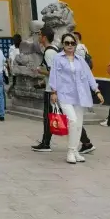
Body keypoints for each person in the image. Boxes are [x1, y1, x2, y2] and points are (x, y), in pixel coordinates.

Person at [32, 26, 95, 155]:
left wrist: (40, 71)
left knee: (55, 117)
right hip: (59, 90)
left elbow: (53, 72)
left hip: (54, 90)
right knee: (68, 118)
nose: (38, 37)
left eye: (39, 34)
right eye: (67, 43)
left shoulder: (50, 52)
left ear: (44, 37)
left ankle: (49, 143)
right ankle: (83, 142)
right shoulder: (54, 51)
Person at [49, 32, 104, 164]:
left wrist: (96, 91)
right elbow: (53, 75)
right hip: (64, 95)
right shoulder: (58, 58)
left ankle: (75, 152)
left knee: (78, 124)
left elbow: (89, 76)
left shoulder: (80, 59)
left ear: (76, 44)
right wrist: (54, 91)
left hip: (80, 95)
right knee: (72, 121)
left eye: (72, 43)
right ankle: (70, 151)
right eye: (67, 43)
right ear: (63, 44)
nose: (70, 45)